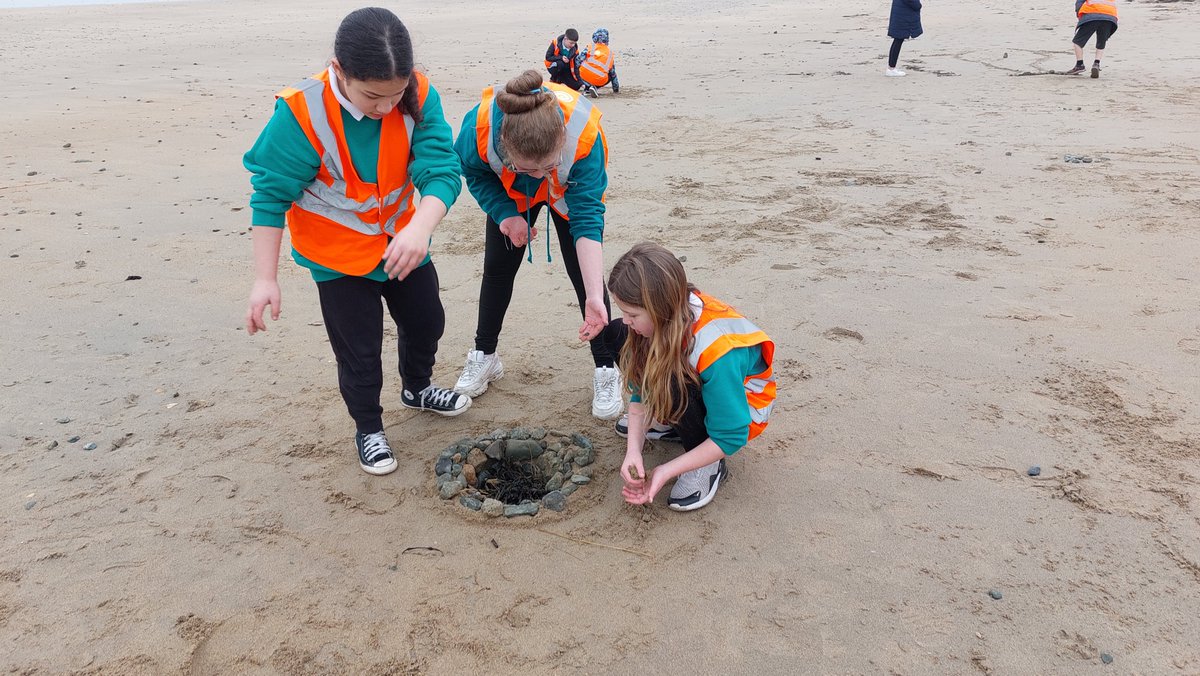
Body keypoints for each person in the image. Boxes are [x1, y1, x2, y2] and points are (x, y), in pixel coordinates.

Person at [243, 7, 470, 477]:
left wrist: (419, 227)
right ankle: (369, 428)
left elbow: (441, 169)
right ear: (340, 71)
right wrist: (265, 278)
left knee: (428, 321)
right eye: (372, 96)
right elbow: (270, 195)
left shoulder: (419, 94)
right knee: (360, 351)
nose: (387, 108)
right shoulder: (301, 112)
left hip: (403, 239)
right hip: (336, 256)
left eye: (397, 94)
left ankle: (418, 389)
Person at [453, 69, 622, 420]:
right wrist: (504, 213)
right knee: (497, 268)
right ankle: (485, 356)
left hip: (568, 192)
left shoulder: (584, 137)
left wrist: (595, 294)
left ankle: (607, 368)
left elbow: (588, 219)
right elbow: (474, 172)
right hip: (512, 196)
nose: (539, 175)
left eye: (547, 165)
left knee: (584, 278)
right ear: (505, 147)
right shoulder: (479, 129)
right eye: (528, 168)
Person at [599, 243, 776, 511]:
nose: (626, 319)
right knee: (615, 334)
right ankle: (667, 420)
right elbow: (641, 389)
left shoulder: (717, 350)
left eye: (633, 314)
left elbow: (731, 435)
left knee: (671, 378)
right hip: (696, 382)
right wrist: (633, 450)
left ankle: (707, 463)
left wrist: (665, 470)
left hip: (742, 410)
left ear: (659, 309)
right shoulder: (664, 319)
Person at [1066, 0, 1118, 77]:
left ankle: (1079, 65)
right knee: (1101, 42)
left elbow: (1079, 4)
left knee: (1077, 42)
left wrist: (1081, 17)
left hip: (1092, 15)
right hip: (1110, 17)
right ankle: (1096, 63)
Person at [578, 28, 620, 98]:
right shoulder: (610, 54)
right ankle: (595, 87)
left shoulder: (590, 47)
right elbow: (613, 75)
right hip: (599, 80)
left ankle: (587, 88)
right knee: (609, 75)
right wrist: (616, 89)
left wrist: (576, 74)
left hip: (584, 76)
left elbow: (578, 59)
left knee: (581, 66)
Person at [886, 0, 923, 77]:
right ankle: (891, 68)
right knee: (898, 40)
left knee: (897, 40)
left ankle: (891, 67)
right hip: (902, 15)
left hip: (900, 13)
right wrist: (918, 5)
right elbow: (914, 4)